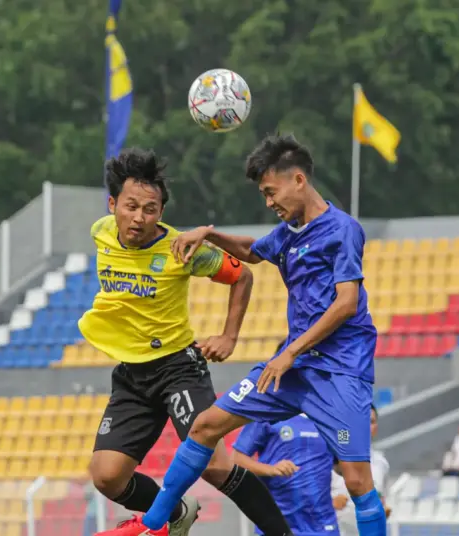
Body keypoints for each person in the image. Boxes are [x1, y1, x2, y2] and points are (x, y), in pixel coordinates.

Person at [98, 133, 387, 536]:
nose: (269, 202)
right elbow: (252, 251)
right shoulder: (291, 232)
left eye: (271, 192)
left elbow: (346, 303)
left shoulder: (342, 230)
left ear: (298, 180)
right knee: (205, 426)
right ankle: (154, 526)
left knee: (357, 482)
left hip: (339, 372)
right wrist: (208, 232)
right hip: (293, 366)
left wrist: (288, 353)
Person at [82, 147, 295, 536]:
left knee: (215, 465)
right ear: (113, 204)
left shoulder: (181, 249)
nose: (139, 217)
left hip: (178, 369)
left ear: (161, 212)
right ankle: (177, 513)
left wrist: (229, 336)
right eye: (131, 206)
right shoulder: (101, 233)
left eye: (151, 209)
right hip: (132, 375)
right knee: (106, 477)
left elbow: (242, 276)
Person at [231, 342, 339, 536]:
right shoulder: (267, 412)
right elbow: (237, 458)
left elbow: (345, 461)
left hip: (323, 526)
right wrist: (270, 469)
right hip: (277, 523)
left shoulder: (331, 417)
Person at [332, 406, 391, 536]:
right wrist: (331, 504)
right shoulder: (332, 459)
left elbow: (382, 499)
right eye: (361, 421)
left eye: (371, 421)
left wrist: (382, 510)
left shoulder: (382, 464)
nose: (366, 426)